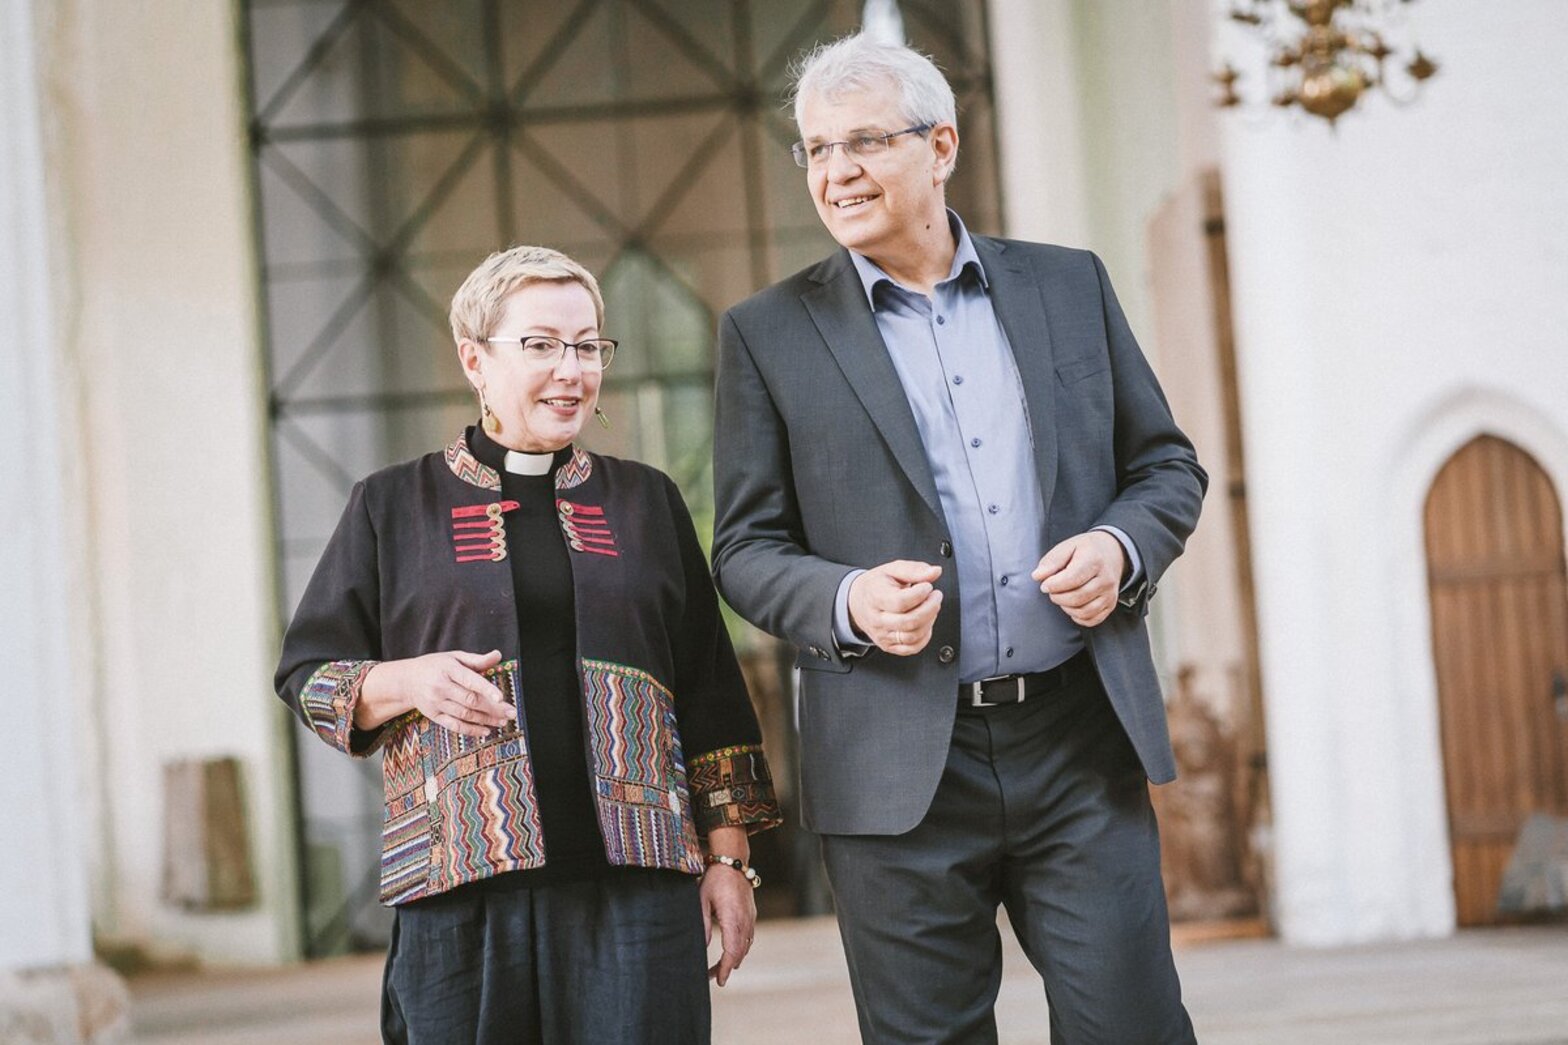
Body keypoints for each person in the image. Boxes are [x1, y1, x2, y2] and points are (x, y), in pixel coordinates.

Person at [711, 34, 1206, 1044]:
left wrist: (1119, 548)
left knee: (1134, 1027)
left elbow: (1163, 468)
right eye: (812, 149)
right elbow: (746, 548)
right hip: (892, 767)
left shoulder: (1067, 286)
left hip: (1076, 740)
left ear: (939, 146)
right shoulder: (766, 333)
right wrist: (845, 601)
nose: (834, 171)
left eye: (862, 142)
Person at [276, 245, 781, 1044]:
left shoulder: (646, 501)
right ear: (475, 359)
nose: (572, 369)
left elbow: (713, 693)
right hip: (459, 894)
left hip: (638, 893)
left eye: (588, 345)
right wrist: (408, 680)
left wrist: (731, 860)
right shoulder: (391, 506)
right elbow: (308, 673)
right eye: (541, 344)